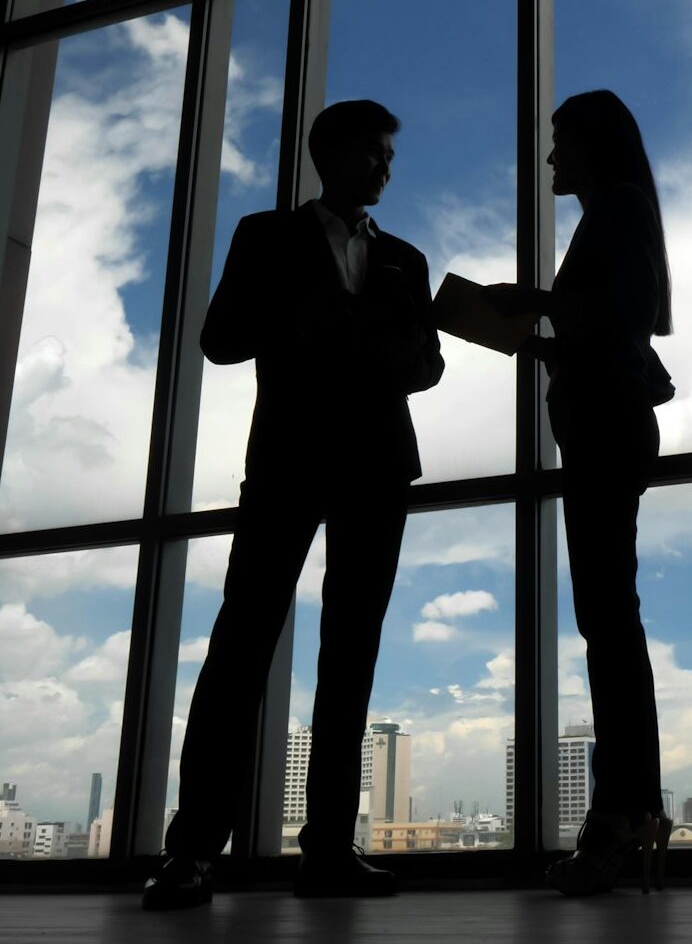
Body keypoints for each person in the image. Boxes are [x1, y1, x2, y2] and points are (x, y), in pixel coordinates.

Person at [143, 100, 445, 910]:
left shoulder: (406, 259)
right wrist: (304, 319)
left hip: (378, 468)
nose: (386, 167)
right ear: (332, 154)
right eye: (375, 152)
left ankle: (328, 849)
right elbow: (219, 338)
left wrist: (370, 342)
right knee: (241, 647)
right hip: (287, 462)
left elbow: (427, 366)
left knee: (350, 657)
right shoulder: (265, 236)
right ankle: (192, 850)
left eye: (389, 155)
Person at [485, 90, 674, 896]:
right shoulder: (619, 213)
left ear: (595, 144)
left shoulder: (617, 208)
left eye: (562, 142)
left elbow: (617, 318)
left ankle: (621, 814)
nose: (552, 158)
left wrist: (531, 303)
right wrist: (540, 343)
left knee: (608, 624)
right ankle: (629, 811)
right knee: (610, 621)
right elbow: (607, 333)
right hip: (604, 425)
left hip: (602, 430)